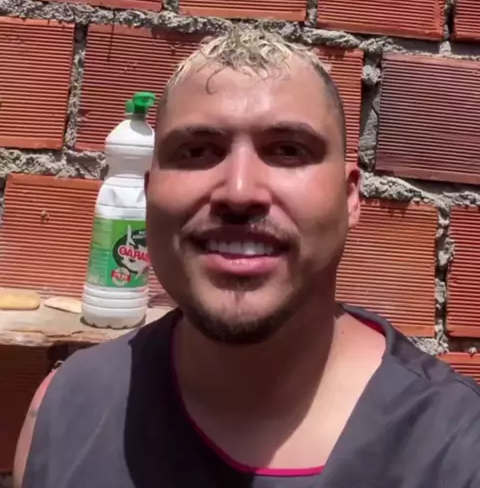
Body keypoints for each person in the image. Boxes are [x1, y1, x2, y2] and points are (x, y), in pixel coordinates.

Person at [14, 25, 480, 488]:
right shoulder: (65, 412)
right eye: (197, 151)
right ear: (150, 192)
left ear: (349, 197)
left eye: (288, 151)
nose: (238, 192)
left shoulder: (456, 448)